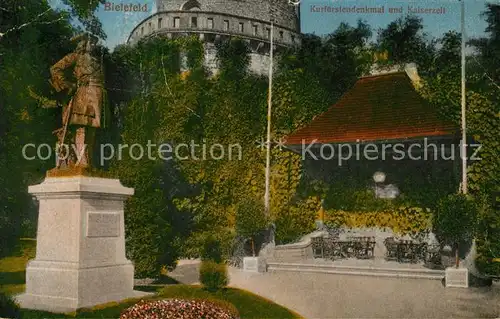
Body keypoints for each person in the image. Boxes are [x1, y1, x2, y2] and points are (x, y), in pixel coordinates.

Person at [49, 33, 105, 168]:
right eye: (91, 42)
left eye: (94, 43)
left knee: (92, 129)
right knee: (82, 127)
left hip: (98, 97)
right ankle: (81, 161)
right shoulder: (75, 57)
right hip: (83, 96)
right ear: (83, 44)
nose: (93, 45)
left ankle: (87, 161)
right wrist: (68, 85)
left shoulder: (98, 61)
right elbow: (55, 69)